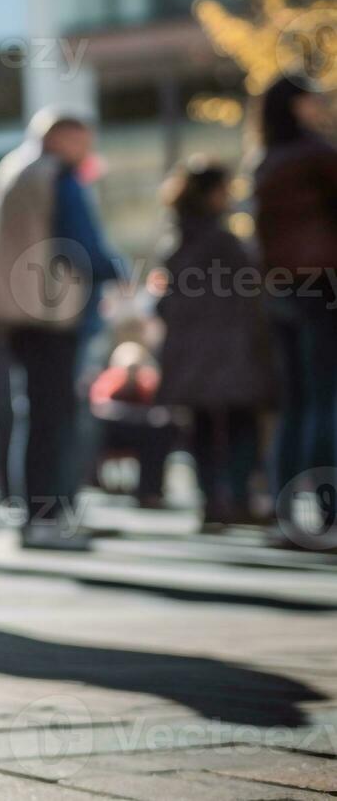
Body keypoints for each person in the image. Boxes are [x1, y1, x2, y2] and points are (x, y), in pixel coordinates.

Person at [0, 109, 125, 550]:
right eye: (83, 140)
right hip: (48, 310)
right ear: (63, 139)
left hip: (21, 310)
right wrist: (114, 271)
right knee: (53, 418)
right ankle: (48, 515)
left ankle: (43, 514)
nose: (88, 150)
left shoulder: (14, 170)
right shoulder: (55, 175)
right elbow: (83, 246)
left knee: (37, 414)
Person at [154, 158, 273, 526]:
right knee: (240, 425)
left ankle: (211, 501)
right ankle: (237, 498)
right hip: (231, 350)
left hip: (189, 353)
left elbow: (164, 302)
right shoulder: (225, 242)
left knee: (202, 427)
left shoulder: (175, 243)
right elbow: (252, 295)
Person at [249, 75, 337, 499]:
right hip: (320, 287)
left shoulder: (266, 161)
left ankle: (285, 512)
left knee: (296, 403)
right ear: (297, 106)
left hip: (280, 291)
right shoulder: (316, 156)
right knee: (326, 400)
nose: (320, 106)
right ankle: (328, 511)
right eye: (313, 99)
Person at [88, 342, 174, 508]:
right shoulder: (110, 379)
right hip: (110, 433)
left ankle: (150, 491)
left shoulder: (147, 380)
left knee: (159, 434)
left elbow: (157, 407)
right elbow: (100, 406)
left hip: (140, 434)